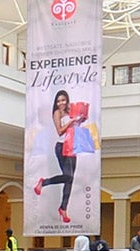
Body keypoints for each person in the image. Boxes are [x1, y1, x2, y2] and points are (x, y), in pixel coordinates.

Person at [31, 90, 96, 225]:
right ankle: (44, 182)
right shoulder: (57, 113)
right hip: (61, 146)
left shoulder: (71, 111)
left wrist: (80, 119)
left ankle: (63, 208)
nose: (61, 103)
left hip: (72, 146)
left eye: (63, 100)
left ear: (67, 100)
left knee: (70, 179)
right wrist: (71, 122)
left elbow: (76, 128)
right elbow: (59, 130)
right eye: (58, 101)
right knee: (68, 176)